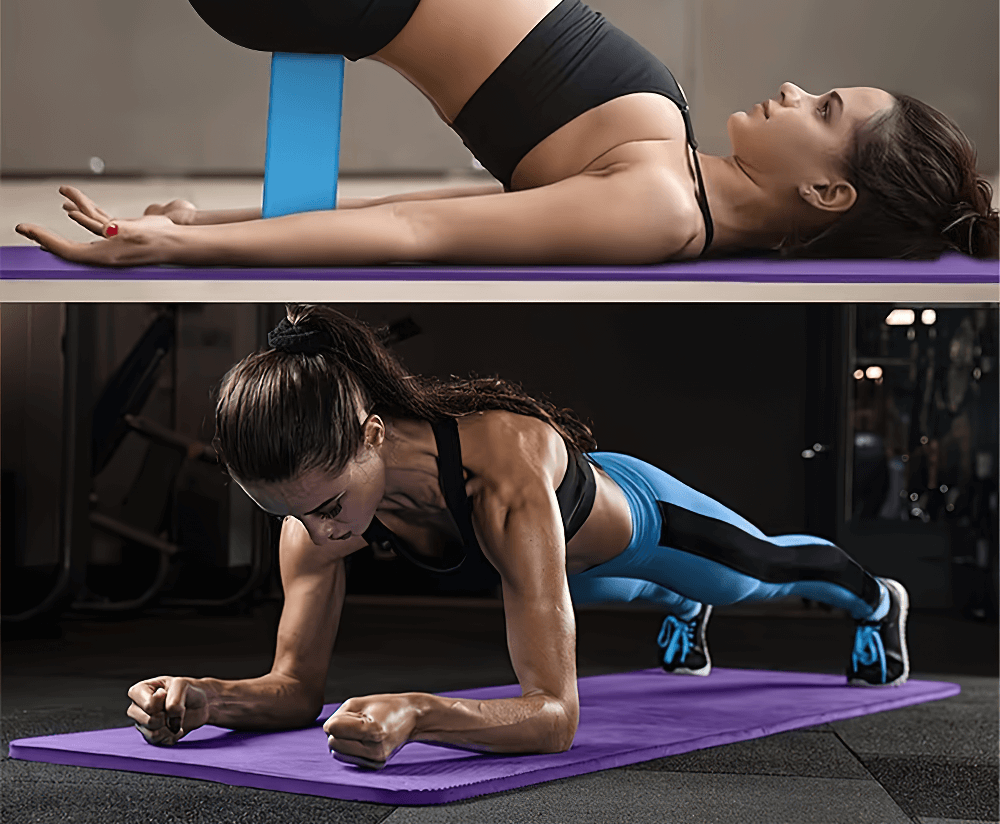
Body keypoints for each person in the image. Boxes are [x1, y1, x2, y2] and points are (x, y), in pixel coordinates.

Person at [15, 0, 998, 266]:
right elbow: (428, 208)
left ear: (830, 192)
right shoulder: (677, 182)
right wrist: (221, 222)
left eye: (825, 110)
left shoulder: (660, 210)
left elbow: (420, 236)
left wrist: (186, 251)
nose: (795, 88)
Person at [126, 306, 910, 768]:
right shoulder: (316, 521)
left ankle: (877, 600)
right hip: (564, 577)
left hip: (640, 527)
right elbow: (296, 690)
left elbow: (554, 717)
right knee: (619, 592)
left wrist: (418, 714)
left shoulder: (499, 473)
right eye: (292, 516)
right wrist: (205, 697)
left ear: (371, 434)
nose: (321, 532)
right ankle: (678, 607)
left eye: (329, 503)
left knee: (761, 573)